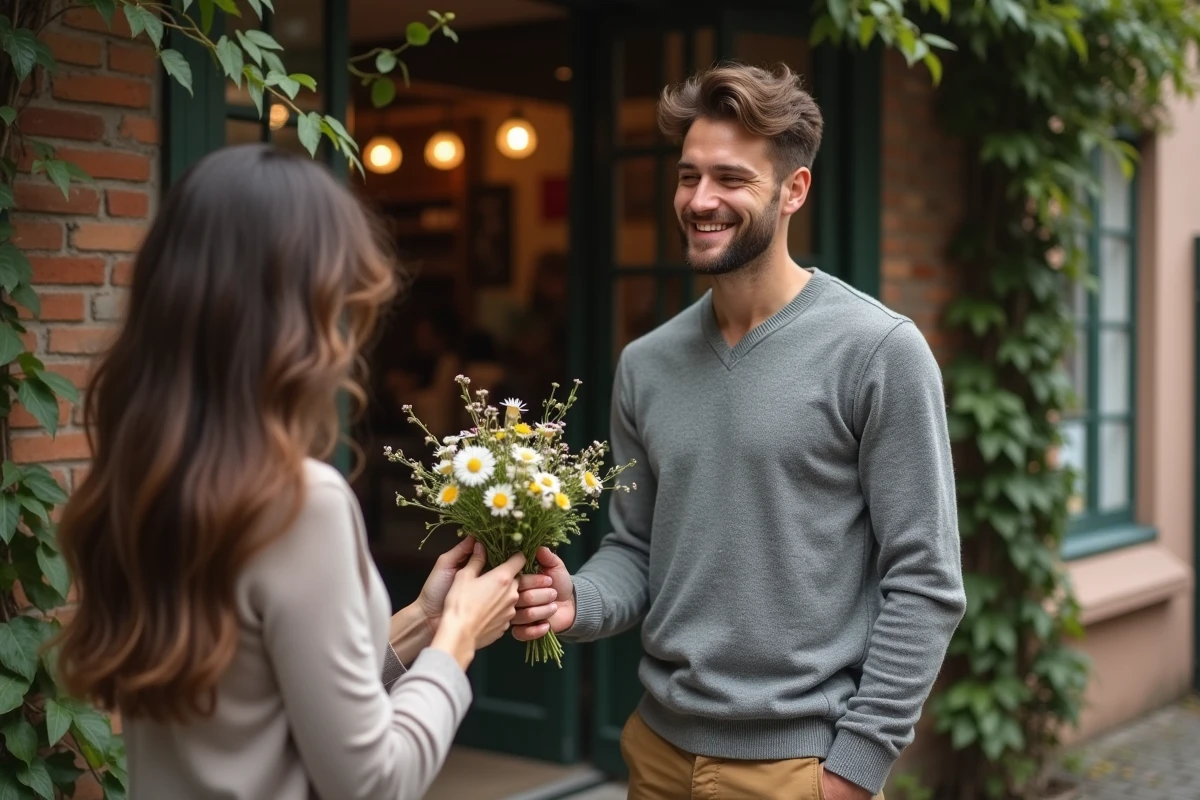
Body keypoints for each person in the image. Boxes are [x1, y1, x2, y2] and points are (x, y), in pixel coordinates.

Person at [512, 62, 967, 800]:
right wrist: (577, 602)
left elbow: (925, 582)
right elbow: (637, 548)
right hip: (656, 751)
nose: (701, 200)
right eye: (688, 177)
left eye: (730, 179)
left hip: (796, 769)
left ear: (794, 191)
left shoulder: (878, 351)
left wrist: (855, 769)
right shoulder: (646, 363)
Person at [52, 143, 526, 800]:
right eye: (334, 303)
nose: (343, 337)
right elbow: (372, 781)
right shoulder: (299, 502)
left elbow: (261, 702)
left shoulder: (147, 476)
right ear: (291, 317)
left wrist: (422, 618)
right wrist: (457, 640)